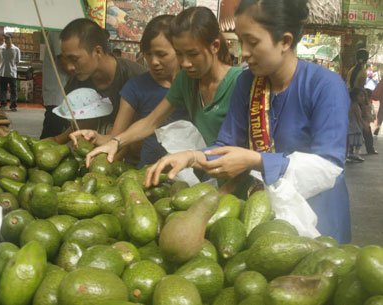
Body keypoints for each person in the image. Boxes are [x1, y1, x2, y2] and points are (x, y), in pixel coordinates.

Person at [145, 0, 352, 243]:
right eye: (240, 41)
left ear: (284, 41)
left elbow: (328, 168)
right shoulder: (247, 83)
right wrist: (192, 157)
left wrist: (255, 160)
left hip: (318, 216)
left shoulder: (325, 86)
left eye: (252, 42)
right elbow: (226, 143)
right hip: (263, 211)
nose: (243, 52)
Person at [70, 6, 241, 168]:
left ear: (215, 46)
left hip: (234, 176)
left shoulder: (239, 82)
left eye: (193, 54)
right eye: (180, 54)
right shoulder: (186, 80)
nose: (186, 63)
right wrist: (115, 142)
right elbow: (151, 121)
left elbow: (241, 146)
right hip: (203, 172)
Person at [100, 15, 188, 168]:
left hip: (190, 174)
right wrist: (95, 137)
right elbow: (117, 136)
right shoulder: (134, 88)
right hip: (147, 172)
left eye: (161, 54)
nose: (153, 62)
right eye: (148, 54)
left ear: (179, 50)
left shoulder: (194, 85)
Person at [46, 18, 147, 144]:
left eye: (74, 59)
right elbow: (82, 123)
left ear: (97, 51)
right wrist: (57, 140)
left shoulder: (137, 78)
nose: (69, 67)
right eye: (65, 60)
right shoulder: (76, 83)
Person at [40, 31, 69, 139]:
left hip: (63, 93)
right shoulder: (58, 31)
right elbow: (64, 60)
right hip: (57, 93)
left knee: (61, 132)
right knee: (52, 131)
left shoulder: (66, 31)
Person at [0, 33, 20, 111]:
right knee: (2, 90)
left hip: (12, 73)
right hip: (2, 72)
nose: (6, 40)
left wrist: (12, 66)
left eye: (8, 38)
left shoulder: (16, 49)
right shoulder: (1, 48)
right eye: (5, 38)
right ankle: (3, 103)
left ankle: (13, 105)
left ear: (11, 39)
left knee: (13, 90)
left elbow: (17, 61)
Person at [347, 88, 366, 162]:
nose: (363, 98)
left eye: (363, 96)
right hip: (355, 126)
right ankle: (356, 154)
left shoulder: (351, 104)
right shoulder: (355, 105)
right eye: (361, 96)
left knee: (351, 140)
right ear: (355, 96)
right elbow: (359, 118)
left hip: (352, 125)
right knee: (357, 140)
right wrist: (364, 125)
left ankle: (350, 153)